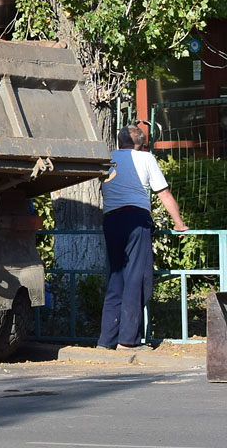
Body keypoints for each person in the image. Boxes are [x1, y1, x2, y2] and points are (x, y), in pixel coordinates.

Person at [97, 124, 188, 350]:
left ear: (119, 142)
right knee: (136, 278)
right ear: (141, 143)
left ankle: (105, 341)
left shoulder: (106, 158)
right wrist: (178, 222)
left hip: (111, 220)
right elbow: (163, 193)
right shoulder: (146, 158)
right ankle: (128, 341)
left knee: (116, 277)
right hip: (136, 219)